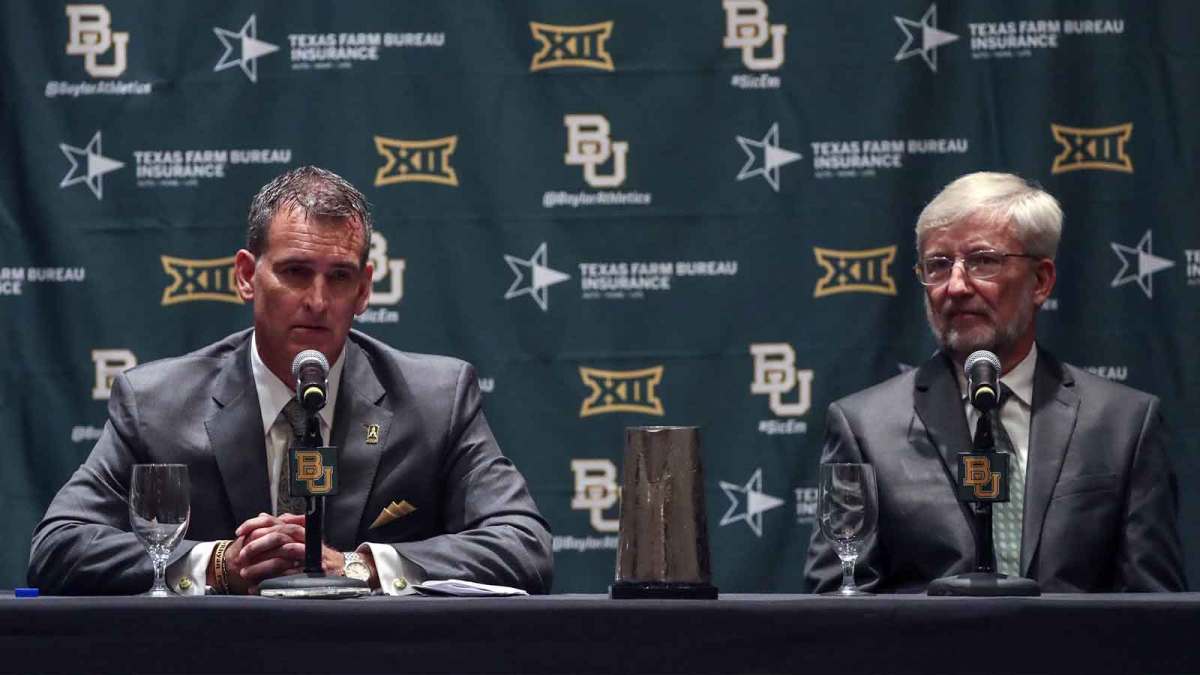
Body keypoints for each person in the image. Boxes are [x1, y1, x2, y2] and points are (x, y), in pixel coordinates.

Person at [29, 166, 553, 595]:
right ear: (245, 275)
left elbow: (523, 544)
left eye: (340, 277)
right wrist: (215, 565)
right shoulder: (157, 404)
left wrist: (362, 567)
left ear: (366, 289)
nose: (318, 301)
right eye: (296, 272)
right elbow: (59, 545)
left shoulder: (435, 401)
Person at [804, 172, 1186, 593]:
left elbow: (1153, 614)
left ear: (1041, 281)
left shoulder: (1123, 424)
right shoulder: (865, 427)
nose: (956, 285)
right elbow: (840, 604)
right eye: (938, 264)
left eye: (983, 260)